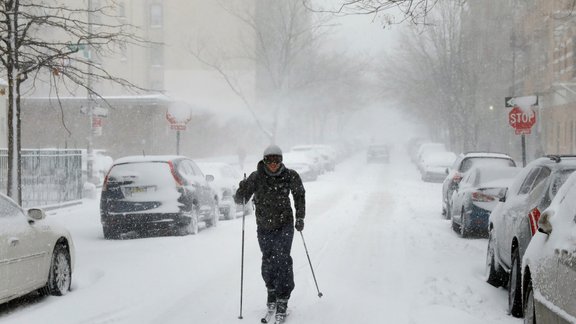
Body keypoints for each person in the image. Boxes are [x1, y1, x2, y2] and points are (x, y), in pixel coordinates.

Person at [234, 144, 305, 322]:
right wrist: (242, 189)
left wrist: (300, 217)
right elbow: (240, 199)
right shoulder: (256, 177)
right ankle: (271, 292)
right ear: (264, 161)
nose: (273, 164)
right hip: (264, 226)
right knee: (268, 259)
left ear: (281, 161)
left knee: (282, 259)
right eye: (270, 160)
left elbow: (299, 195)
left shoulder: (290, 175)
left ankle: (283, 299)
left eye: (277, 160)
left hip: (285, 225)